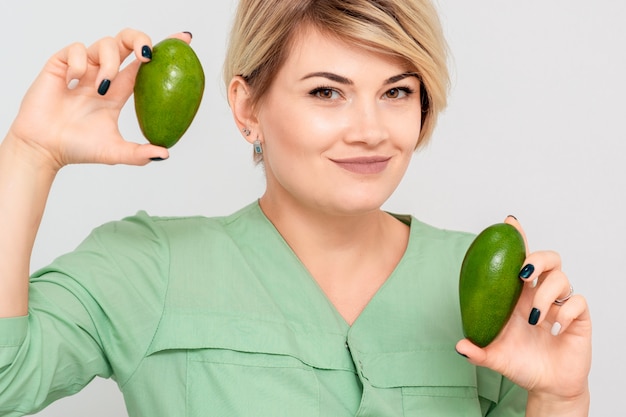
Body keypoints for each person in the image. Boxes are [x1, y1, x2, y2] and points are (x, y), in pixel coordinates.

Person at [0, 0, 591, 416]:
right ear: (246, 108)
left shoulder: (485, 288)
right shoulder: (147, 266)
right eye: (326, 92)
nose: (370, 131)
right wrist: (30, 154)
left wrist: (560, 401)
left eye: (396, 92)